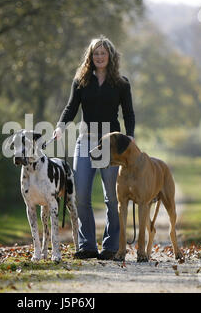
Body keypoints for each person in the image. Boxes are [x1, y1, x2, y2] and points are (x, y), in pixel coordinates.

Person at [53, 36, 136, 260]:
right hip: (86, 141)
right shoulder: (81, 81)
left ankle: (111, 246)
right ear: (91, 57)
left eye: (103, 53)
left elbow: (128, 112)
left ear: (110, 56)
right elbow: (71, 107)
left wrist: (130, 136)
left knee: (112, 196)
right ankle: (87, 245)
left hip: (111, 145)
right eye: (95, 53)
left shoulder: (121, 83)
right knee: (81, 195)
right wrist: (61, 127)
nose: (99, 57)